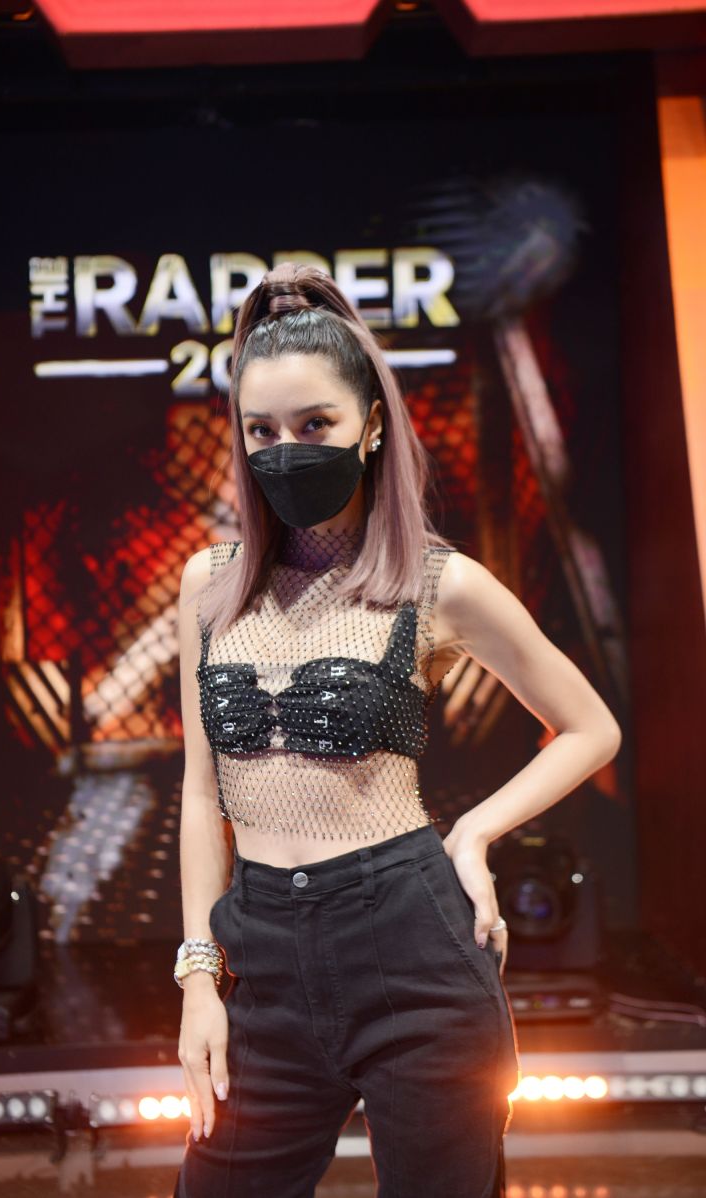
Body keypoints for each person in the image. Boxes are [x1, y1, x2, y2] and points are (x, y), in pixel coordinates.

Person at [173, 262, 622, 1198]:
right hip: (261, 958)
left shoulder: (437, 584)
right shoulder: (207, 586)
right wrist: (199, 981)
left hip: (411, 945)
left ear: (371, 426)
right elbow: (200, 791)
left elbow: (589, 727)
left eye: (315, 425)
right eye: (261, 431)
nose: (286, 449)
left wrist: (474, 833)